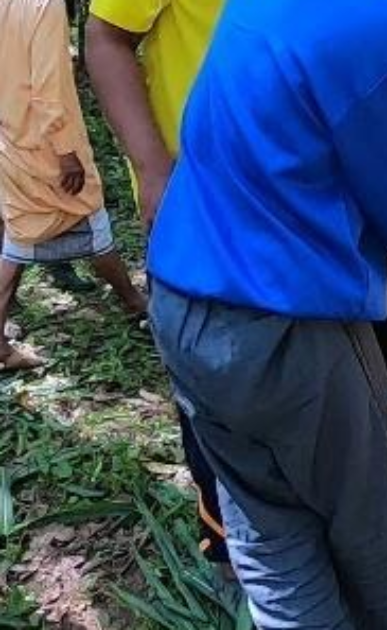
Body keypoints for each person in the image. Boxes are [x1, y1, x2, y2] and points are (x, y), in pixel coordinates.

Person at [144, 0, 387, 626]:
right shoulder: (380, 28)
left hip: (183, 308)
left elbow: (312, 162)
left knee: (266, 522)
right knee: (365, 519)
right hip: (287, 333)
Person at [84, 0, 232, 581]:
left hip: (296, 196)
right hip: (196, 201)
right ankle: (225, 543)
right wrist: (152, 168)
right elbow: (106, 36)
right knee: (209, 380)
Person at [0, 0, 146, 372]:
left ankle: (132, 300)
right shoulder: (44, 6)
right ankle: (133, 301)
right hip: (46, 145)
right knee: (86, 217)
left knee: (23, 232)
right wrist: (65, 151)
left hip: (12, 136)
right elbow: (46, 87)